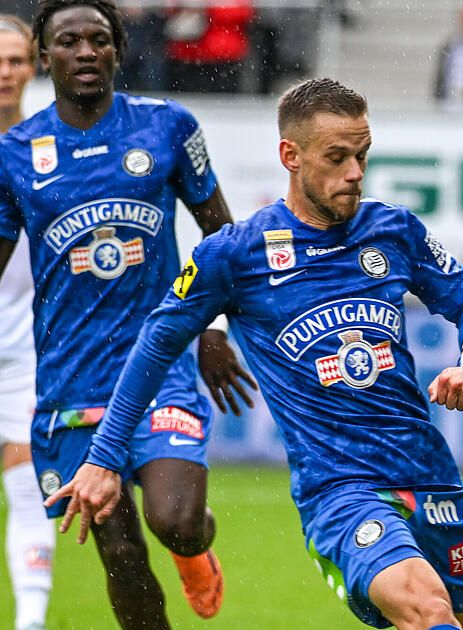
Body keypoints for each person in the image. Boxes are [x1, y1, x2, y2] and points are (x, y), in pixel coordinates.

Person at [50, 77, 463, 630]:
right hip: (341, 491)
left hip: (432, 475)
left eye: (362, 155)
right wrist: (103, 457)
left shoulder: (395, 230)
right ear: (291, 155)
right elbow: (158, 341)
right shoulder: (234, 255)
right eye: (337, 157)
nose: (355, 172)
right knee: (429, 611)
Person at [0, 0, 256, 627]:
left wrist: (214, 328)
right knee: (119, 553)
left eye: (98, 39)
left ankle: (194, 547)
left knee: (174, 520)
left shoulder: (166, 127)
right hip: (68, 382)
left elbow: (220, 236)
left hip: (158, 365)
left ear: (117, 49)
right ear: (44, 57)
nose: (85, 52)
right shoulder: (15, 154)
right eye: (68, 41)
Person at [0, 15, 54, 630]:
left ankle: (30, 622)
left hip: (27, 342)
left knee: (24, 485)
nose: (8, 72)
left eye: (17, 59)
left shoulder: (49, 143)